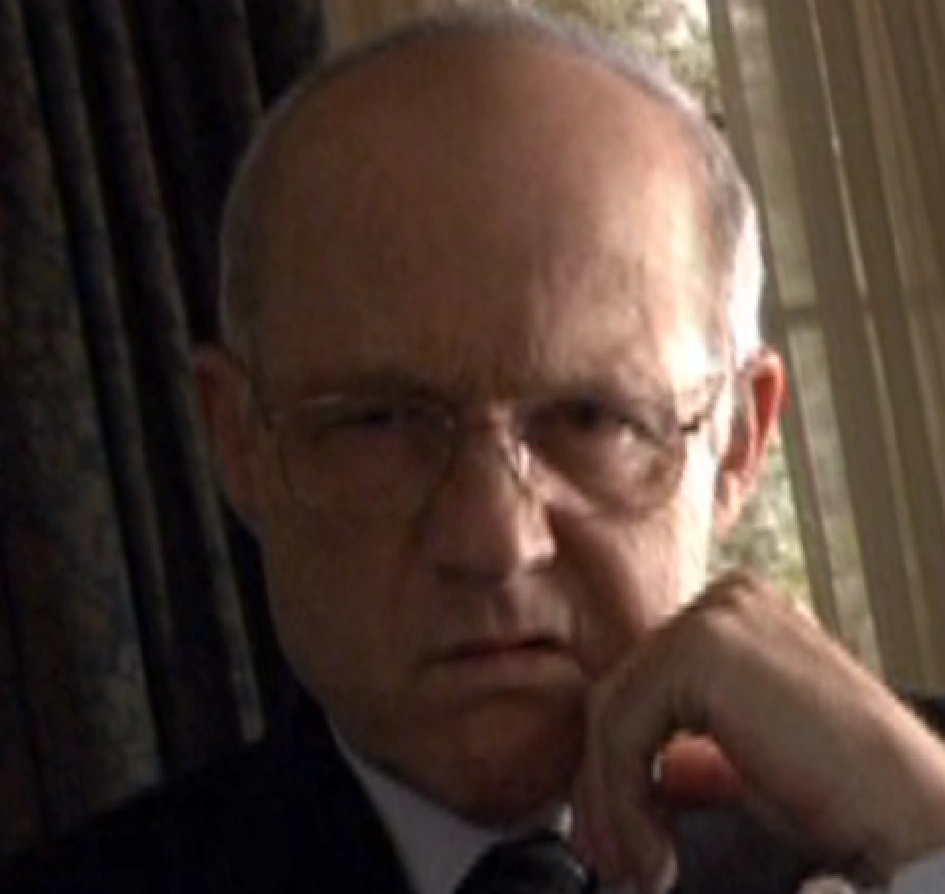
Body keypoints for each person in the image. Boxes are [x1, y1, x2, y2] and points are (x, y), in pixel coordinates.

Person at [5, 9, 945, 894]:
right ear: (238, 443)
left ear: (738, 440)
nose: (493, 541)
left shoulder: (915, 813)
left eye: (591, 418)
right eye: (379, 423)